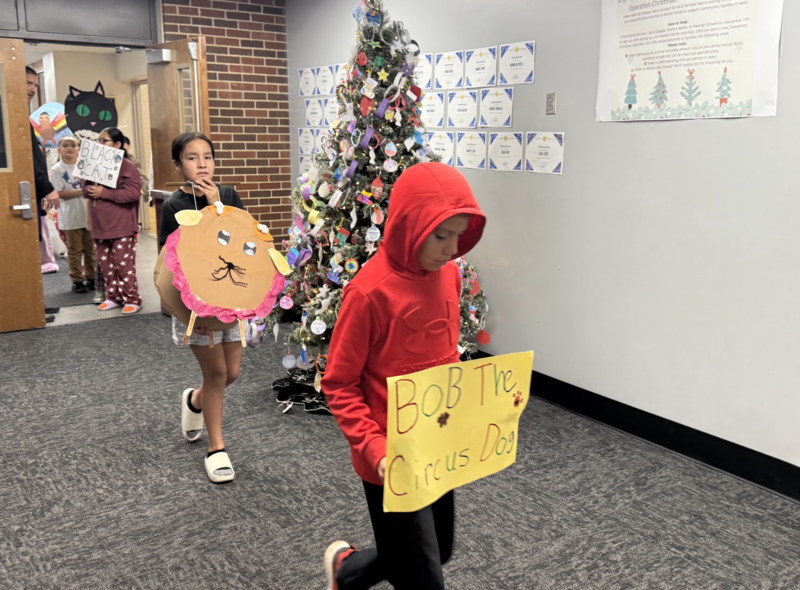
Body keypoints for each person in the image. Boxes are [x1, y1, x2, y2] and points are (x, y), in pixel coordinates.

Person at [322, 163, 486, 590]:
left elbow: (444, 354)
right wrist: (373, 448)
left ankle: (346, 570)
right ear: (410, 226)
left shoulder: (448, 274)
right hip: (389, 458)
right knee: (421, 576)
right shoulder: (368, 292)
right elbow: (338, 383)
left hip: (436, 442)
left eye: (458, 236)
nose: (451, 249)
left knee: (438, 550)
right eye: (441, 235)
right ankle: (353, 569)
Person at [159, 131, 245, 484]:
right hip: (195, 304)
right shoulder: (173, 205)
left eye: (207, 156)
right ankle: (216, 448)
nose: (202, 164)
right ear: (178, 165)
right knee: (217, 375)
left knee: (232, 372)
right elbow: (172, 262)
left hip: (230, 298)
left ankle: (195, 401)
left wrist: (217, 206)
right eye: (192, 158)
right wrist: (195, 311)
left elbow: (242, 243)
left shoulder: (227, 195)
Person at [83, 127, 142, 314]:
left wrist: (104, 193)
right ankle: (113, 296)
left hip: (121, 225)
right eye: (99, 141)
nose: (100, 144)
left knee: (124, 265)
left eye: (104, 141)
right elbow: (85, 188)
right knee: (106, 265)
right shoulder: (94, 163)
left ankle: (132, 298)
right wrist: (90, 190)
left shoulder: (127, 166)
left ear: (117, 144)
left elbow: (133, 193)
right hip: (100, 225)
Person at [26, 66, 60, 321]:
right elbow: (30, 160)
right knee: (27, 251)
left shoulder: (23, 116)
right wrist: (47, 188)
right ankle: (29, 307)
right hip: (26, 192)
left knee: (34, 249)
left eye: (35, 85)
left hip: (32, 193)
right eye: (28, 83)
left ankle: (36, 303)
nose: (32, 89)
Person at [51, 136, 96, 293]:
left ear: (79, 149)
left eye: (73, 145)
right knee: (75, 250)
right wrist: (81, 191)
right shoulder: (57, 169)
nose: (69, 148)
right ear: (59, 149)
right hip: (70, 216)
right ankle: (77, 280)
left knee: (90, 250)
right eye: (65, 145)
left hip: (88, 215)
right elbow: (59, 193)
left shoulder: (86, 166)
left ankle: (91, 277)